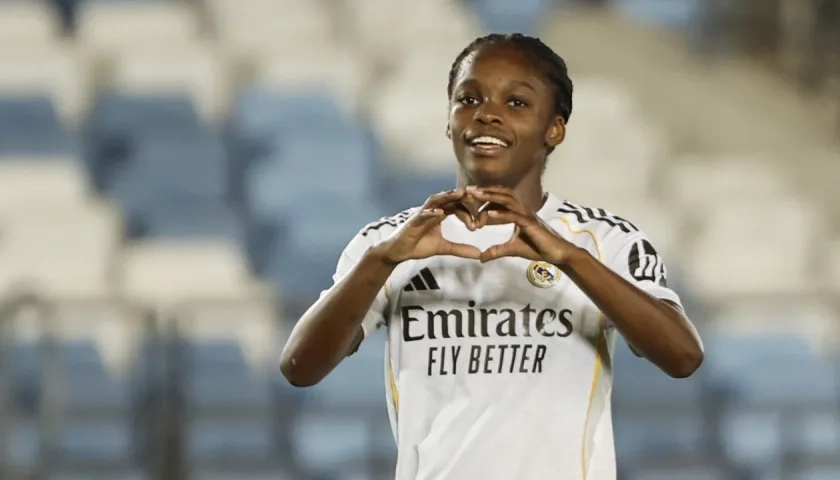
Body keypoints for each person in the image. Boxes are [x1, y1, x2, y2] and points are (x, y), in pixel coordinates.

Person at [280, 33, 704, 480]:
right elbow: (299, 368)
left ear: (554, 129)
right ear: (448, 121)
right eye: (468, 98)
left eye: (517, 103)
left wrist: (570, 259)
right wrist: (381, 263)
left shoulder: (603, 240)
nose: (486, 114)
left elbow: (682, 357)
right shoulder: (388, 243)